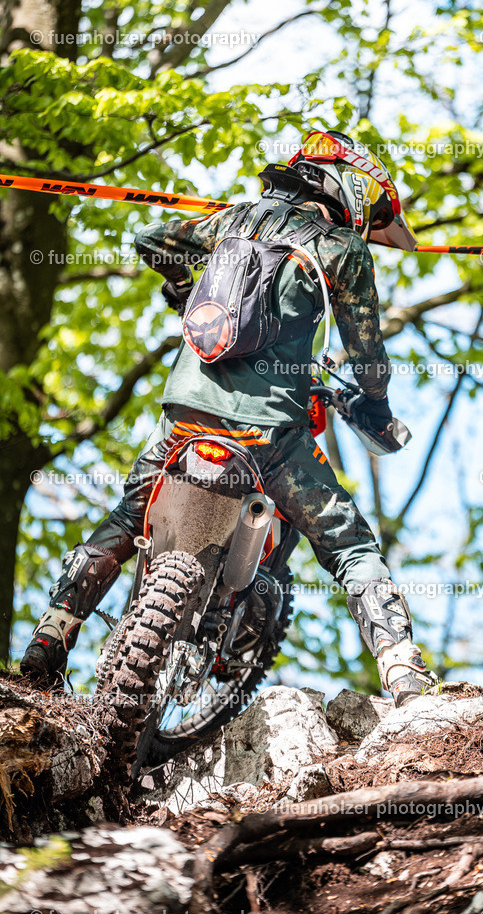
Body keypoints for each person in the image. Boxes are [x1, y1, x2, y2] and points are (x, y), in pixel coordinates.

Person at [21, 130, 436, 706]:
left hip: (184, 415)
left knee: (127, 517)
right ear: (351, 191)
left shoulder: (231, 220)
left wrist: (185, 287)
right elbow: (366, 354)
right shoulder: (342, 249)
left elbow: (150, 236)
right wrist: (375, 404)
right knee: (347, 541)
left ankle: (49, 636)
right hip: (270, 433)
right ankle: (404, 672)